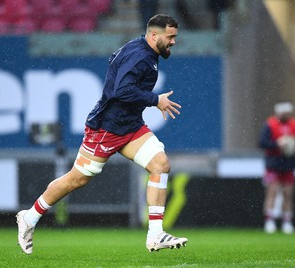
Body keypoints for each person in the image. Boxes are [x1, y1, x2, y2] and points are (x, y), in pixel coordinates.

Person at [16, 14, 188, 254]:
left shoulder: (140, 49)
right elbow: (121, 90)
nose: (173, 42)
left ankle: (155, 234)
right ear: (154, 35)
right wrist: (154, 99)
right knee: (78, 178)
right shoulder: (140, 56)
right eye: (170, 37)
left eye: (175, 37)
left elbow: (114, 64)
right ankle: (29, 217)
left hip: (130, 126)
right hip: (106, 129)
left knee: (160, 164)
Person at [259, 101, 295, 234]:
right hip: (273, 164)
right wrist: (278, 144)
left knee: (288, 193)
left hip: (288, 164)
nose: (285, 115)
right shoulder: (270, 124)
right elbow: (262, 142)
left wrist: (294, 142)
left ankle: (287, 222)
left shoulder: (294, 125)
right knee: (272, 192)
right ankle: (269, 221)